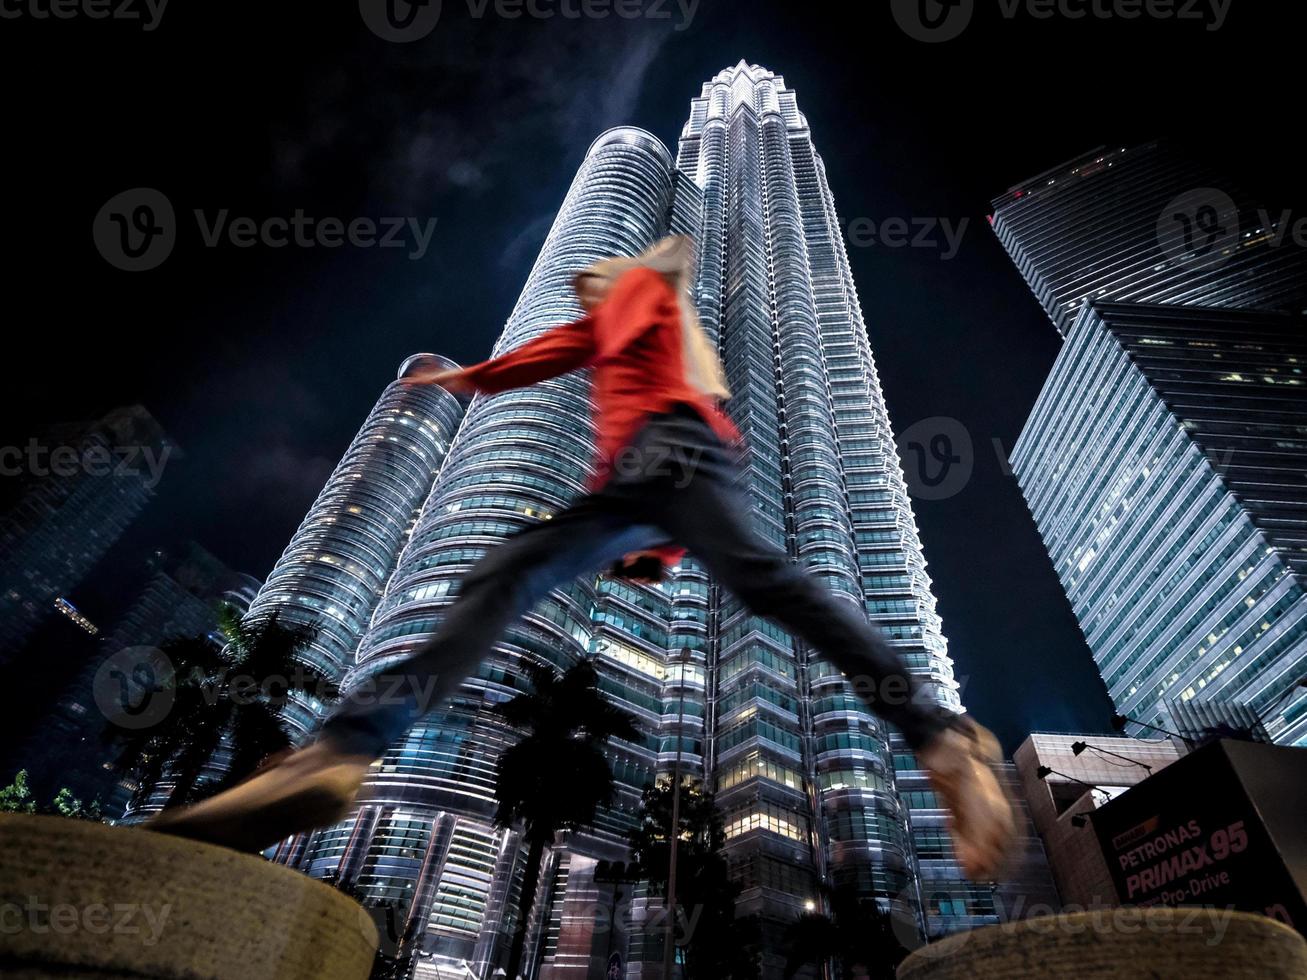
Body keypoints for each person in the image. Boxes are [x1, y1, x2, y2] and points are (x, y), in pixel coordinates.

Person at [150, 236, 1014, 879]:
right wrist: (650, 555)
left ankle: (940, 739)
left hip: (666, 456)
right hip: (652, 478)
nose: (582, 288)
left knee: (745, 583)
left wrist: (470, 379)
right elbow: (641, 437)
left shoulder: (632, 298)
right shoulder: (643, 333)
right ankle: (341, 752)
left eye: (589, 283)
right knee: (521, 574)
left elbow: (558, 346)